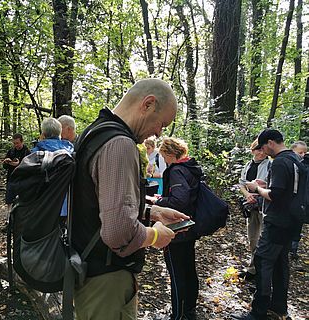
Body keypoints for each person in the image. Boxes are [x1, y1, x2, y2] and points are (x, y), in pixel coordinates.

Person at [72, 78, 190, 320]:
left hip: (88, 267)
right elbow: (118, 232)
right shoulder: (120, 145)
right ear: (147, 104)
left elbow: (99, 201)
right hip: (106, 280)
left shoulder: (94, 132)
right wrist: (156, 235)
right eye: (162, 124)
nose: (159, 132)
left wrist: (151, 212)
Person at [232, 129, 299, 320]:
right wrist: (266, 185)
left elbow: (274, 195)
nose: (262, 151)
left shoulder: (279, 162)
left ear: (270, 142)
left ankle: (258, 311)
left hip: (277, 221)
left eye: (263, 147)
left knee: (262, 260)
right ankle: (278, 307)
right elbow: (285, 190)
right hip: (291, 221)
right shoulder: (295, 159)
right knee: (280, 262)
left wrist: (258, 188)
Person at [147, 137, 202, 320]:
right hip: (190, 226)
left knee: (177, 273)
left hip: (177, 228)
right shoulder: (190, 167)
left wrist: (159, 201)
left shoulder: (177, 170)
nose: (163, 160)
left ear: (170, 154)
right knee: (188, 269)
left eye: (163, 156)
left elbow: (180, 199)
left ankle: (177, 315)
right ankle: (189, 311)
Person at [238, 139, 271, 280]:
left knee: (264, 239)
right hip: (251, 206)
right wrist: (248, 195)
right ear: (253, 150)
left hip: (265, 205)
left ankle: (261, 272)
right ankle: (252, 268)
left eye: (263, 150)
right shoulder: (248, 165)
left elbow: (272, 186)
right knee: (252, 238)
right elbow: (242, 184)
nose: (261, 153)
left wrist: (258, 190)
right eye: (258, 149)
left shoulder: (270, 165)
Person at [32, 117, 74, 218]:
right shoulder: (70, 152)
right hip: (66, 205)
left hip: (42, 205)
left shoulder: (35, 154)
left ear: (43, 134)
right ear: (59, 133)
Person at [2, 133, 30, 221]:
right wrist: (6, 162)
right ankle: (9, 220)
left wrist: (19, 164)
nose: (16, 145)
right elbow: (5, 167)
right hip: (12, 179)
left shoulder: (27, 152)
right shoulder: (11, 151)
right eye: (14, 143)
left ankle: (22, 220)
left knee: (23, 201)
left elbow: (30, 167)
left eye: (17, 143)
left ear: (22, 142)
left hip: (23, 180)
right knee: (9, 201)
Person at [289, 140, 307, 259]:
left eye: (304, 152)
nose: (302, 155)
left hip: (301, 201)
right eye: (300, 152)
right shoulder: (287, 163)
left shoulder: (305, 166)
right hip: (289, 201)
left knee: (297, 226)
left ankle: (293, 249)